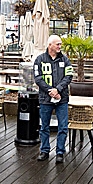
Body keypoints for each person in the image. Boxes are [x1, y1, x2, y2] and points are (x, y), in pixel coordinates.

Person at [33, 35, 74, 163]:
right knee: (44, 126)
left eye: (60, 44)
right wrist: (50, 91)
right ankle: (44, 150)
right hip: (45, 99)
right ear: (50, 45)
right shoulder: (39, 59)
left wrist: (58, 89)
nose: (60, 47)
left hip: (62, 99)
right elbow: (38, 78)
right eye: (57, 44)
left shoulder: (65, 59)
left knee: (63, 127)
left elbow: (69, 76)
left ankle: (60, 152)